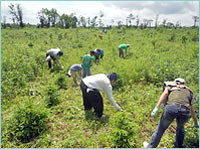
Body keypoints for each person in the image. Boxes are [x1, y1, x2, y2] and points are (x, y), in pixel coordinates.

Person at [143, 78, 198, 148]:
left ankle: (150, 147)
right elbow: (191, 109)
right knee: (180, 129)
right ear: (184, 84)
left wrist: (157, 107)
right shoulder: (188, 91)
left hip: (171, 109)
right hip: (184, 111)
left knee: (160, 129)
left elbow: (165, 94)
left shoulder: (170, 86)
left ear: (175, 82)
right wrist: (196, 122)